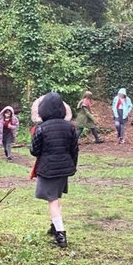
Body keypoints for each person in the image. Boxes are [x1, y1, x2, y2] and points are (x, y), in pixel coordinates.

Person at [30, 92, 79, 249]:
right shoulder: (70, 127)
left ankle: (60, 235)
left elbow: (34, 151)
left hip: (48, 169)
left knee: (52, 200)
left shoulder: (41, 128)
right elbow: (74, 150)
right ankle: (54, 225)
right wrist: (72, 166)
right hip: (65, 168)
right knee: (56, 198)